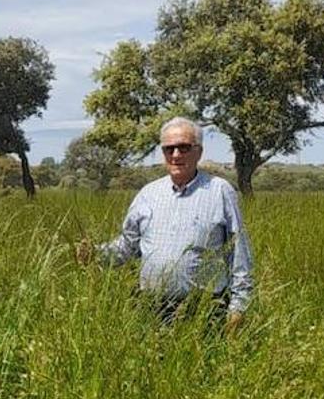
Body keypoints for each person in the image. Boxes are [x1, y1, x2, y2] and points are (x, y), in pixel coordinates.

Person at [77, 117, 253, 331]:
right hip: (151, 309)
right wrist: (95, 254)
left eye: (184, 147)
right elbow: (127, 246)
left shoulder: (220, 191)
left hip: (204, 311)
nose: (176, 155)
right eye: (169, 149)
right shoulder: (148, 194)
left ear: (198, 152)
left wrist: (238, 306)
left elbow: (239, 251)